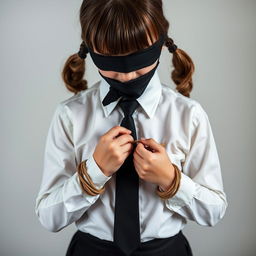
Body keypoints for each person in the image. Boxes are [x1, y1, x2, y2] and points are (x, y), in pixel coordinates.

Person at [34, 1, 228, 255]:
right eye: (111, 64)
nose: (126, 77)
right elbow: (49, 217)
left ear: (161, 39)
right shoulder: (70, 116)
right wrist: (93, 172)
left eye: (138, 61)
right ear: (89, 48)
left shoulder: (189, 116)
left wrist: (171, 180)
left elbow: (214, 211)